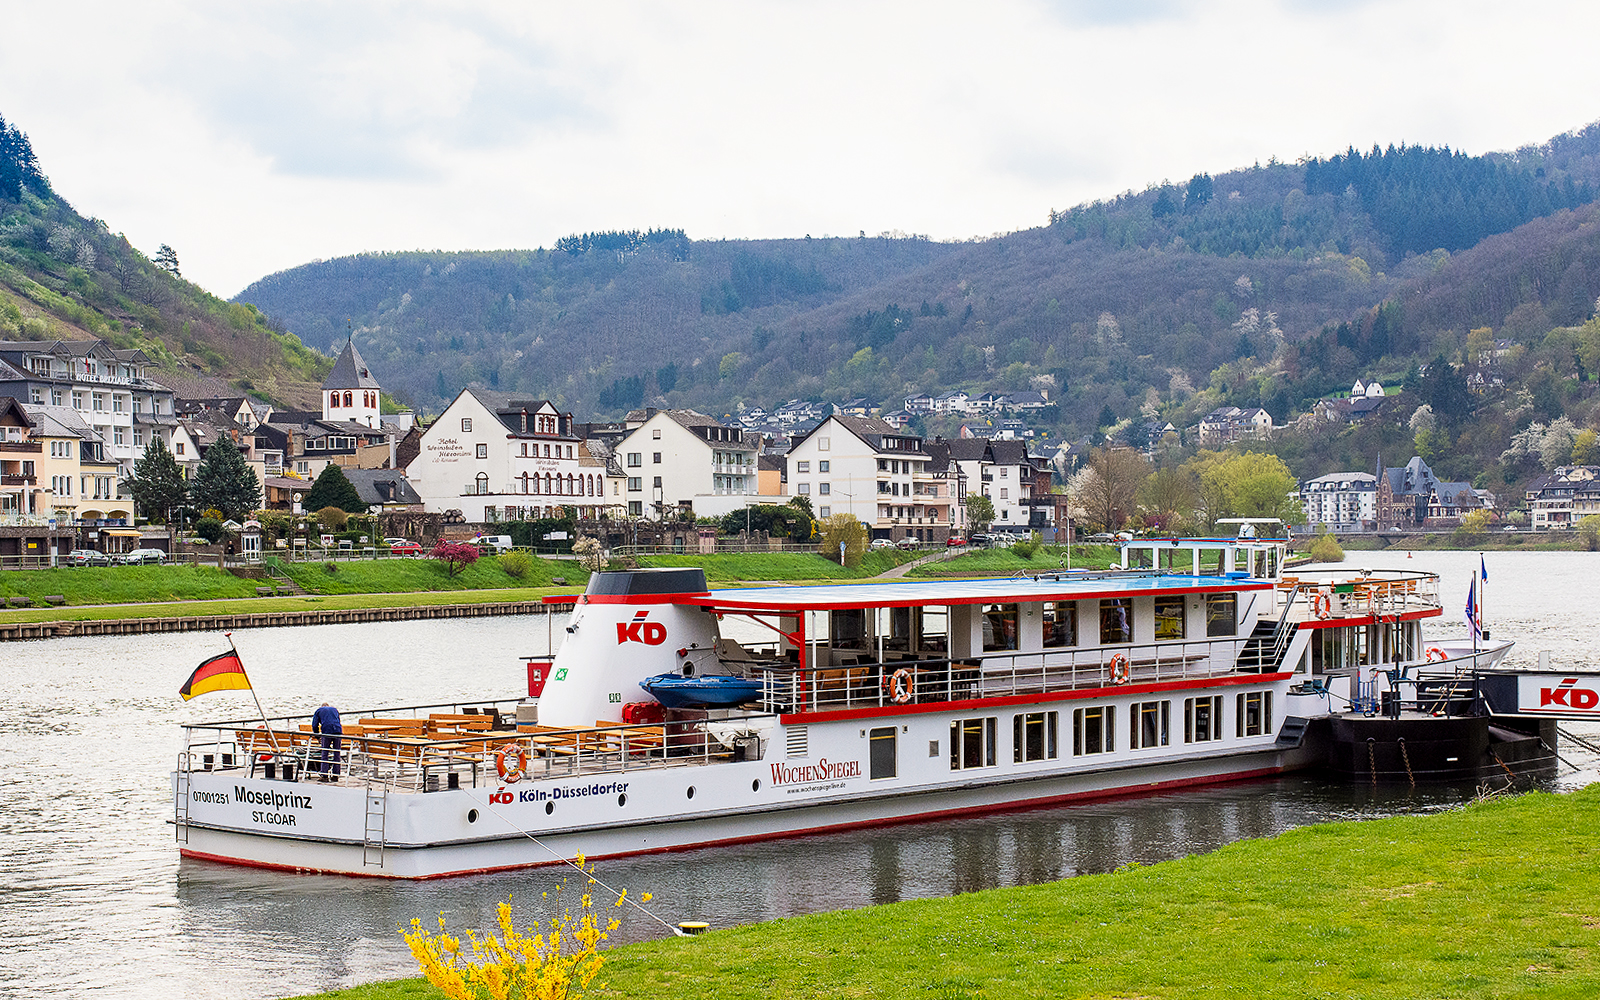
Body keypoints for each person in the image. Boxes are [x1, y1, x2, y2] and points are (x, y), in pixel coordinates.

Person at [311, 702, 343, 781]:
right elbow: (338, 720)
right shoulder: (334, 709)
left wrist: (317, 736)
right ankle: (336, 775)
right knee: (337, 753)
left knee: (325, 752)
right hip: (338, 731)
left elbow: (315, 725)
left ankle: (324, 775)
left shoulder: (318, 711)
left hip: (327, 731)